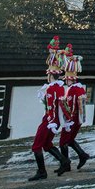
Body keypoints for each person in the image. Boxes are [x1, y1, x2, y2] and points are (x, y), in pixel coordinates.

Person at [28, 42, 72, 181]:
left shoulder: (51, 89)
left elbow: (51, 106)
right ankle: (64, 161)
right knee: (47, 145)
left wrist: (50, 121)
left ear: (50, 75)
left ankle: (42, 171)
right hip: (54, 120)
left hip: (49, 120)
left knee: (36, 146)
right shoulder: (59, 88)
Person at [58, 50, 90, 170]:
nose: (66, 81)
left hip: (72, 119)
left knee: (63, 142)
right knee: (70, 140)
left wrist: (67, 118)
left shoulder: (72, 90)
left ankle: (65, 164)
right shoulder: (80, 88)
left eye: (67, 79)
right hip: (78, 119)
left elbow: (70, 107)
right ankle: (82, 155)